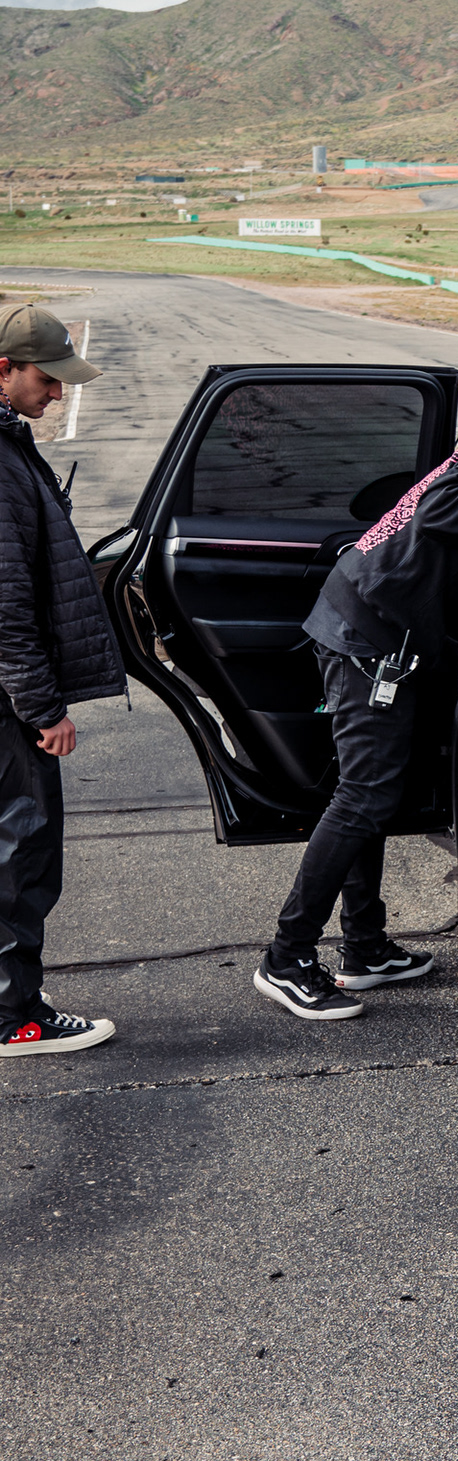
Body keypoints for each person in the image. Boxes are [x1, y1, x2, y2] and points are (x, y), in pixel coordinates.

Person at [254, 417, 458, 1022]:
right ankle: (286, 958)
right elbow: (441, 507)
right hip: (368, 636)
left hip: (373, 626)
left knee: (369, 795)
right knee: (364, 797)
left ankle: (364, 947)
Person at [0, 304, 125, 1056]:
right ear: (4, 370)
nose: (57, 393)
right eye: (47, 380)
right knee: (21, 851)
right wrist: (45, 708)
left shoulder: (8, 441)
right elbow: (5, 604)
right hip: (8, 700)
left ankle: (11, 993)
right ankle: (15, 1016)